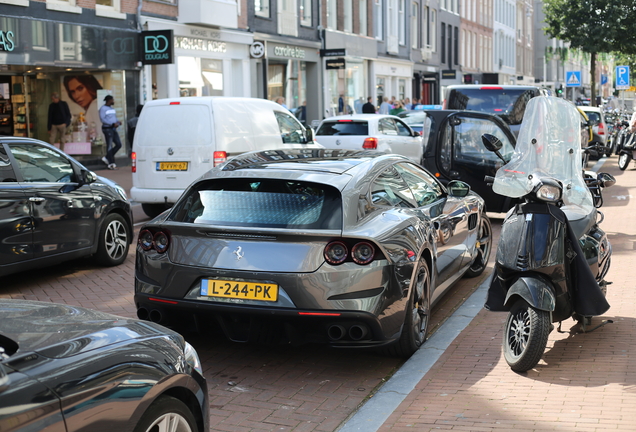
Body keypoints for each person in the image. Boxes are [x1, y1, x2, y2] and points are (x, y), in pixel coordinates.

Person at [99, 95, 122, 170]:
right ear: (109, 100)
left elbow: (114, 117)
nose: (113, 101)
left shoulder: (112, 109)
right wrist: (111, 124)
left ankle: (107, 157)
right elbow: (102, 119)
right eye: (112, 100)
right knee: (109, 145)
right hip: (108, 128)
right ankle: (111, 163)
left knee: (119, 144)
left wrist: (117, 122)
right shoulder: (103, 109)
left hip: (113, 128)